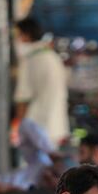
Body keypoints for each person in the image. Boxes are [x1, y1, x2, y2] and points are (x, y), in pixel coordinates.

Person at [13, 18, 69, 146]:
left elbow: (22, 97)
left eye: (16, 36)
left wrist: (19, 129)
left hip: (36, 125)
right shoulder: (53, 57)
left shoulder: (31, 59)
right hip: (55, 127)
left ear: (26, 35)